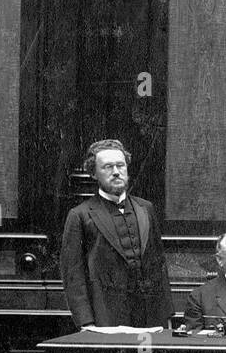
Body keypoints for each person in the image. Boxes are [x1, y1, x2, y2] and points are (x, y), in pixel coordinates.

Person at [61, 138, 172, 328]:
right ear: (94, 173)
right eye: (107, 167)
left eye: (120, 165)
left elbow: (158, 265)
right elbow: (73, 275)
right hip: (105, 317)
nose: (116, 172)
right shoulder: (80, 215)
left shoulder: (146, 208)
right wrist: (86, 322)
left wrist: (167, 316)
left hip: (150, 317)